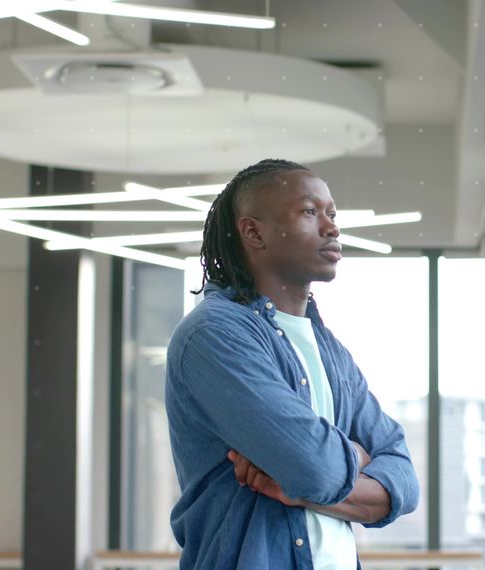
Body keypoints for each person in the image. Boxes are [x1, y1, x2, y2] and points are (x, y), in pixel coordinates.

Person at [165, 159, 420, 569]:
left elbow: (404, 483)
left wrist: (302, 489)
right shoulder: (214, 335)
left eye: (332, 214)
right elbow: (317, 468)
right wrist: (357, 456)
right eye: (309, 212)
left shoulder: (329, 349)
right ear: (254, 232)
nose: (332, 227)